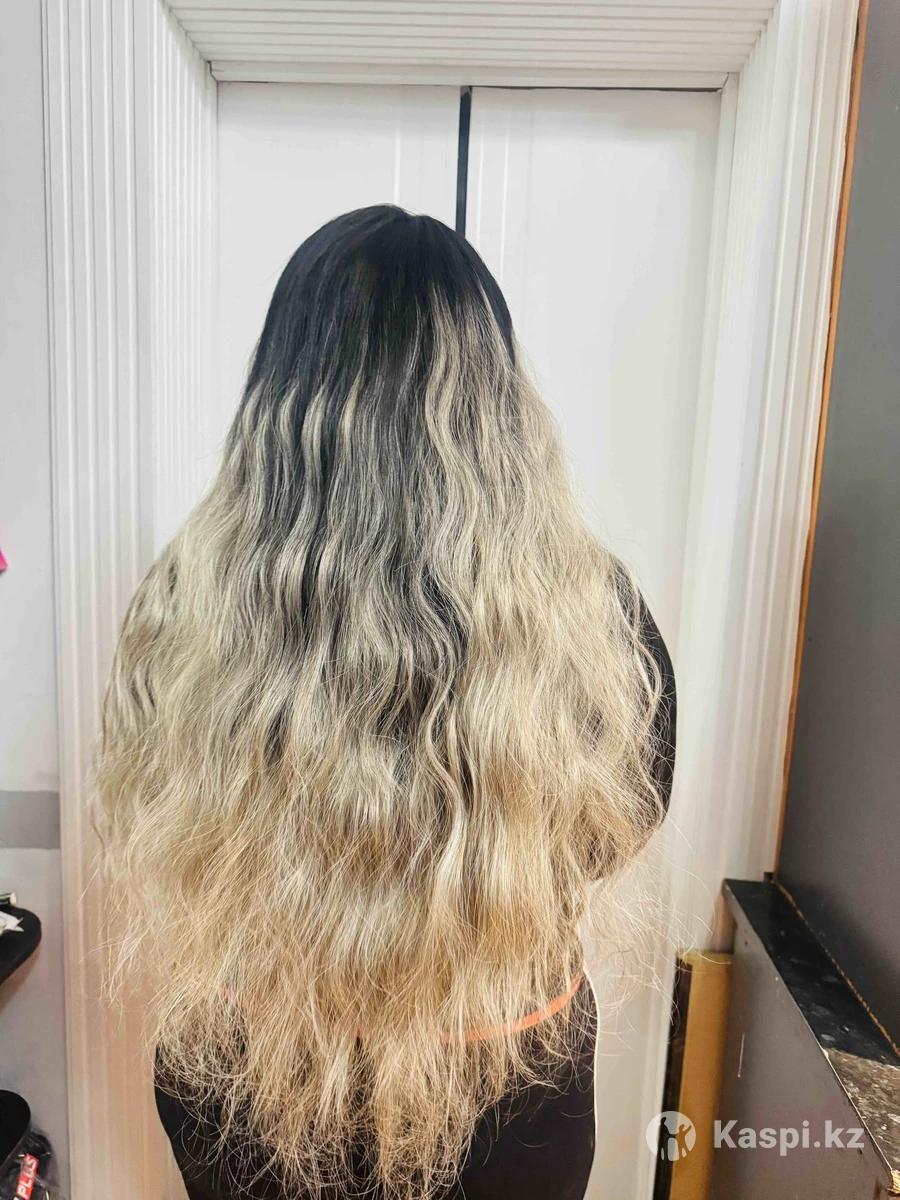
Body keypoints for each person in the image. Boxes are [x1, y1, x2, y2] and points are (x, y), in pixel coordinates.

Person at [94, 205, 676, 1200]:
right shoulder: (598, 614)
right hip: (502, 1074)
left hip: (251, 1072)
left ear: (282, 384)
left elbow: (152, 796)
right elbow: (617, 823)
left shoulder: (181, 599)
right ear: (500, 401)